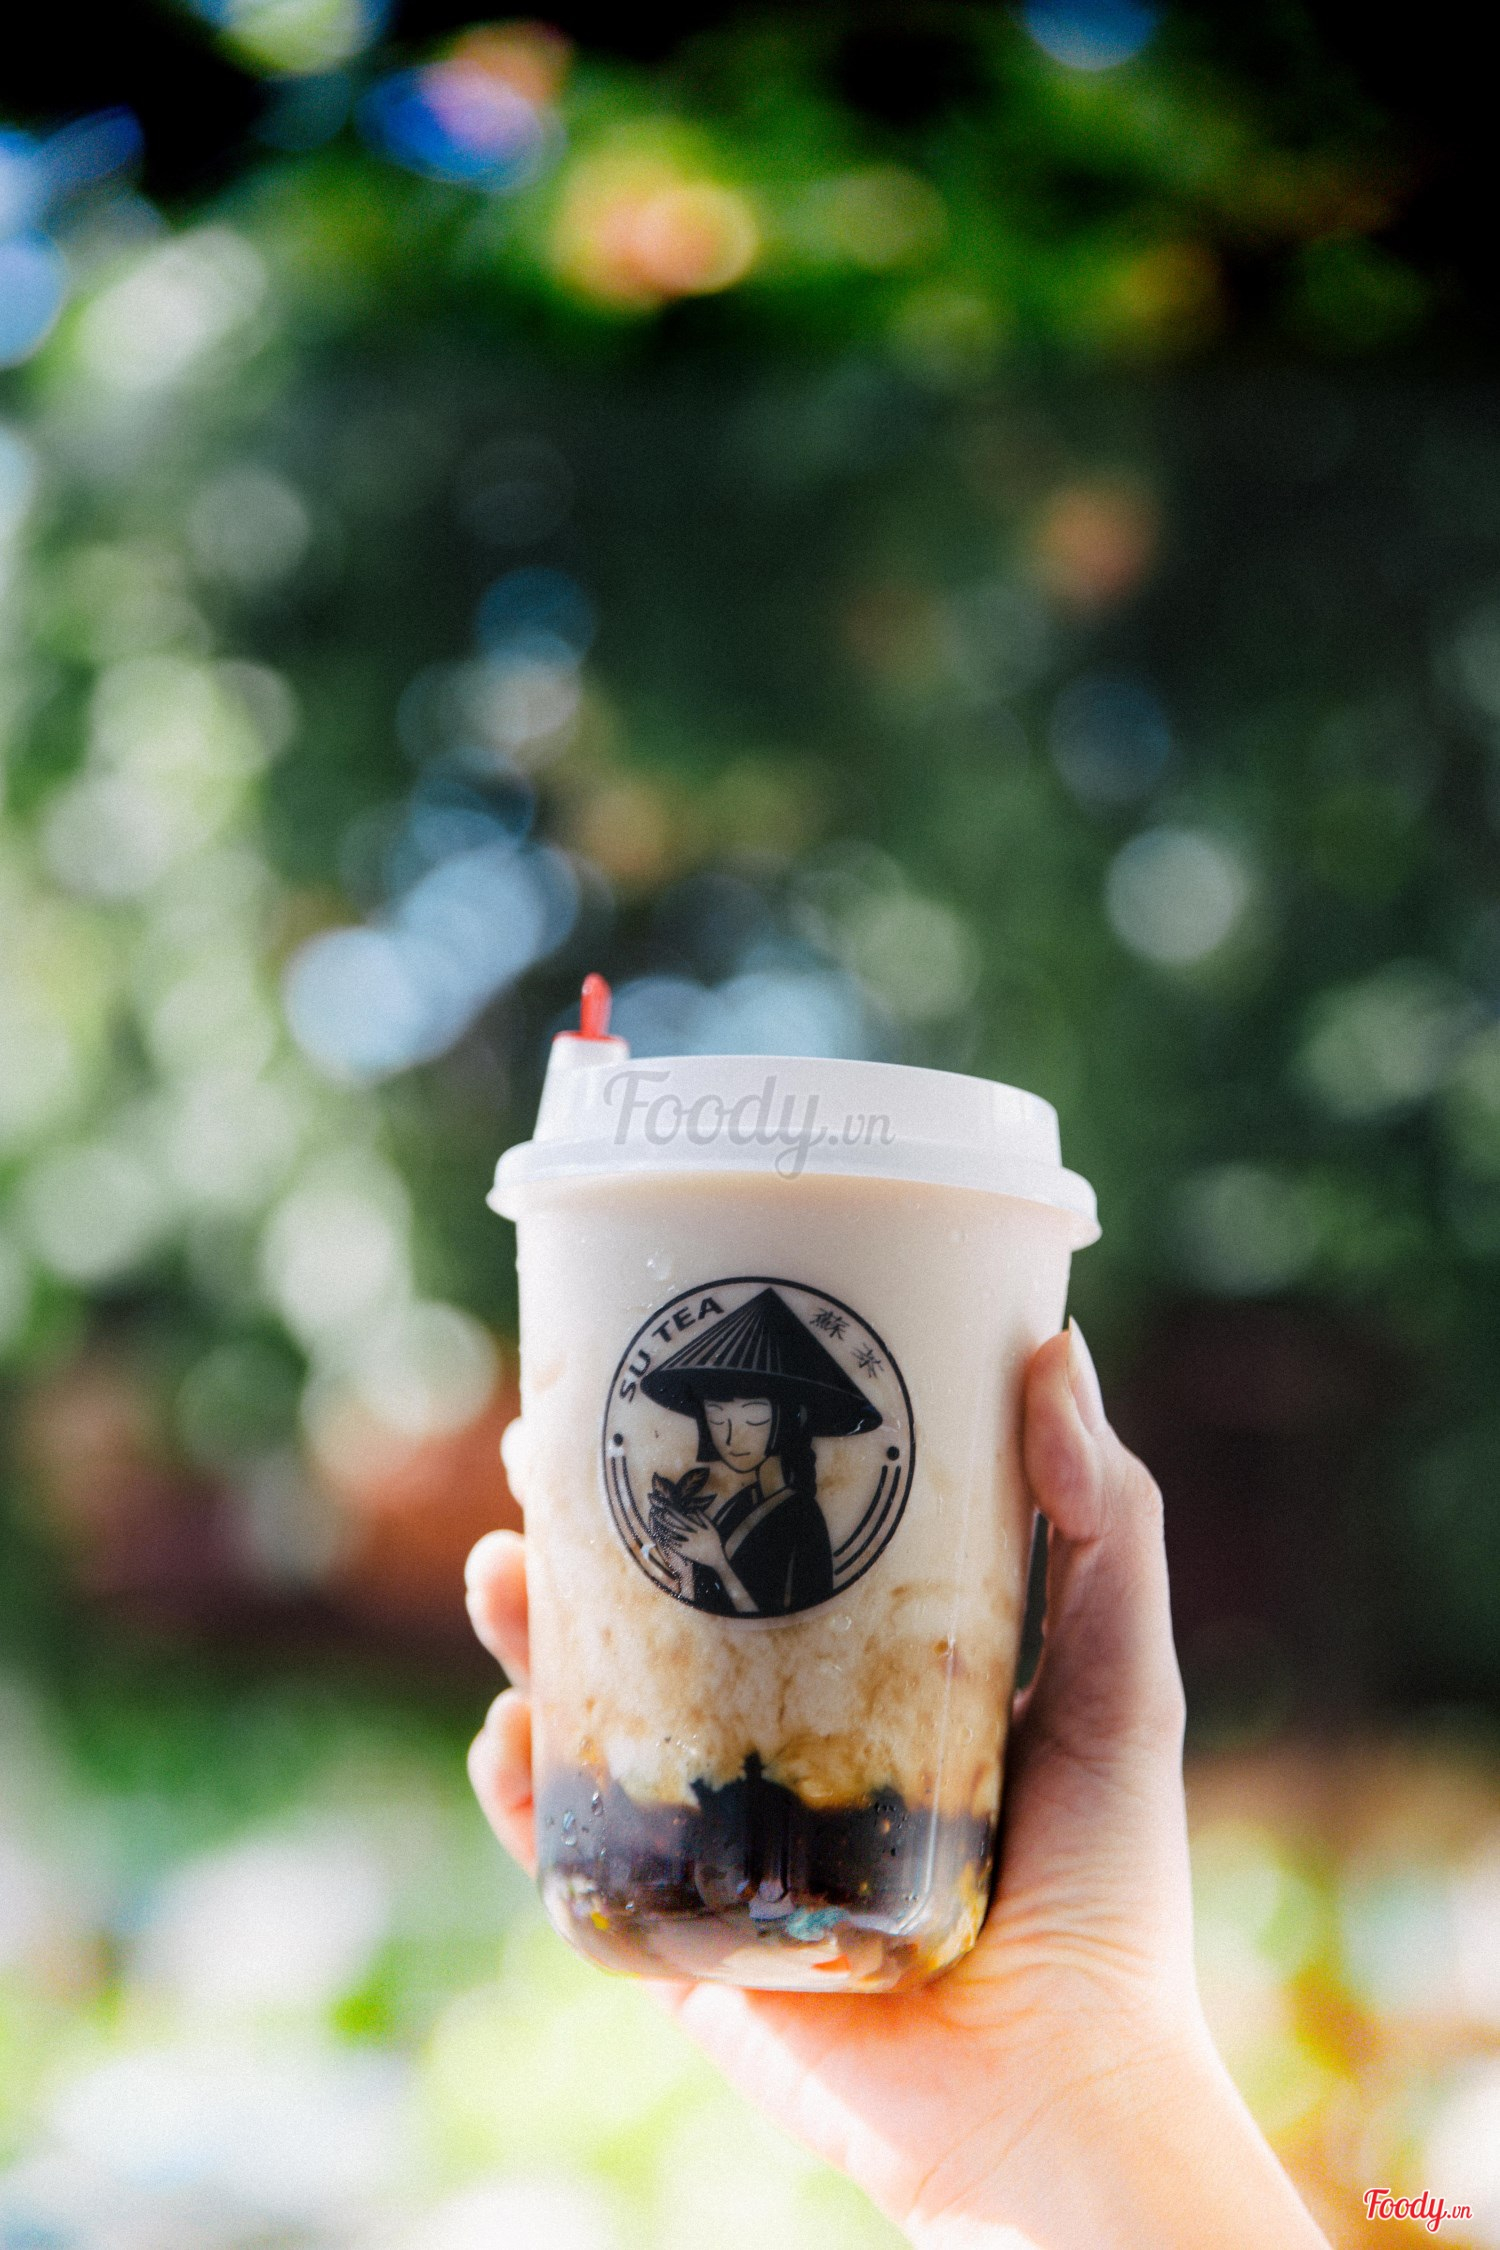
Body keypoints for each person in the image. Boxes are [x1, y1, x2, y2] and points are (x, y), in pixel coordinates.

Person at [465, 1323, 1333, 2249]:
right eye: (721, 1414)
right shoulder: (706, 1499)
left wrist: (1073, 2080)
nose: (734, 1431)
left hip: (864, 1830)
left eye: (755, 1413)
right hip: (688, 1817)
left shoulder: (798, 1514)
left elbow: (786, 1612)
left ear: (785, 1424)